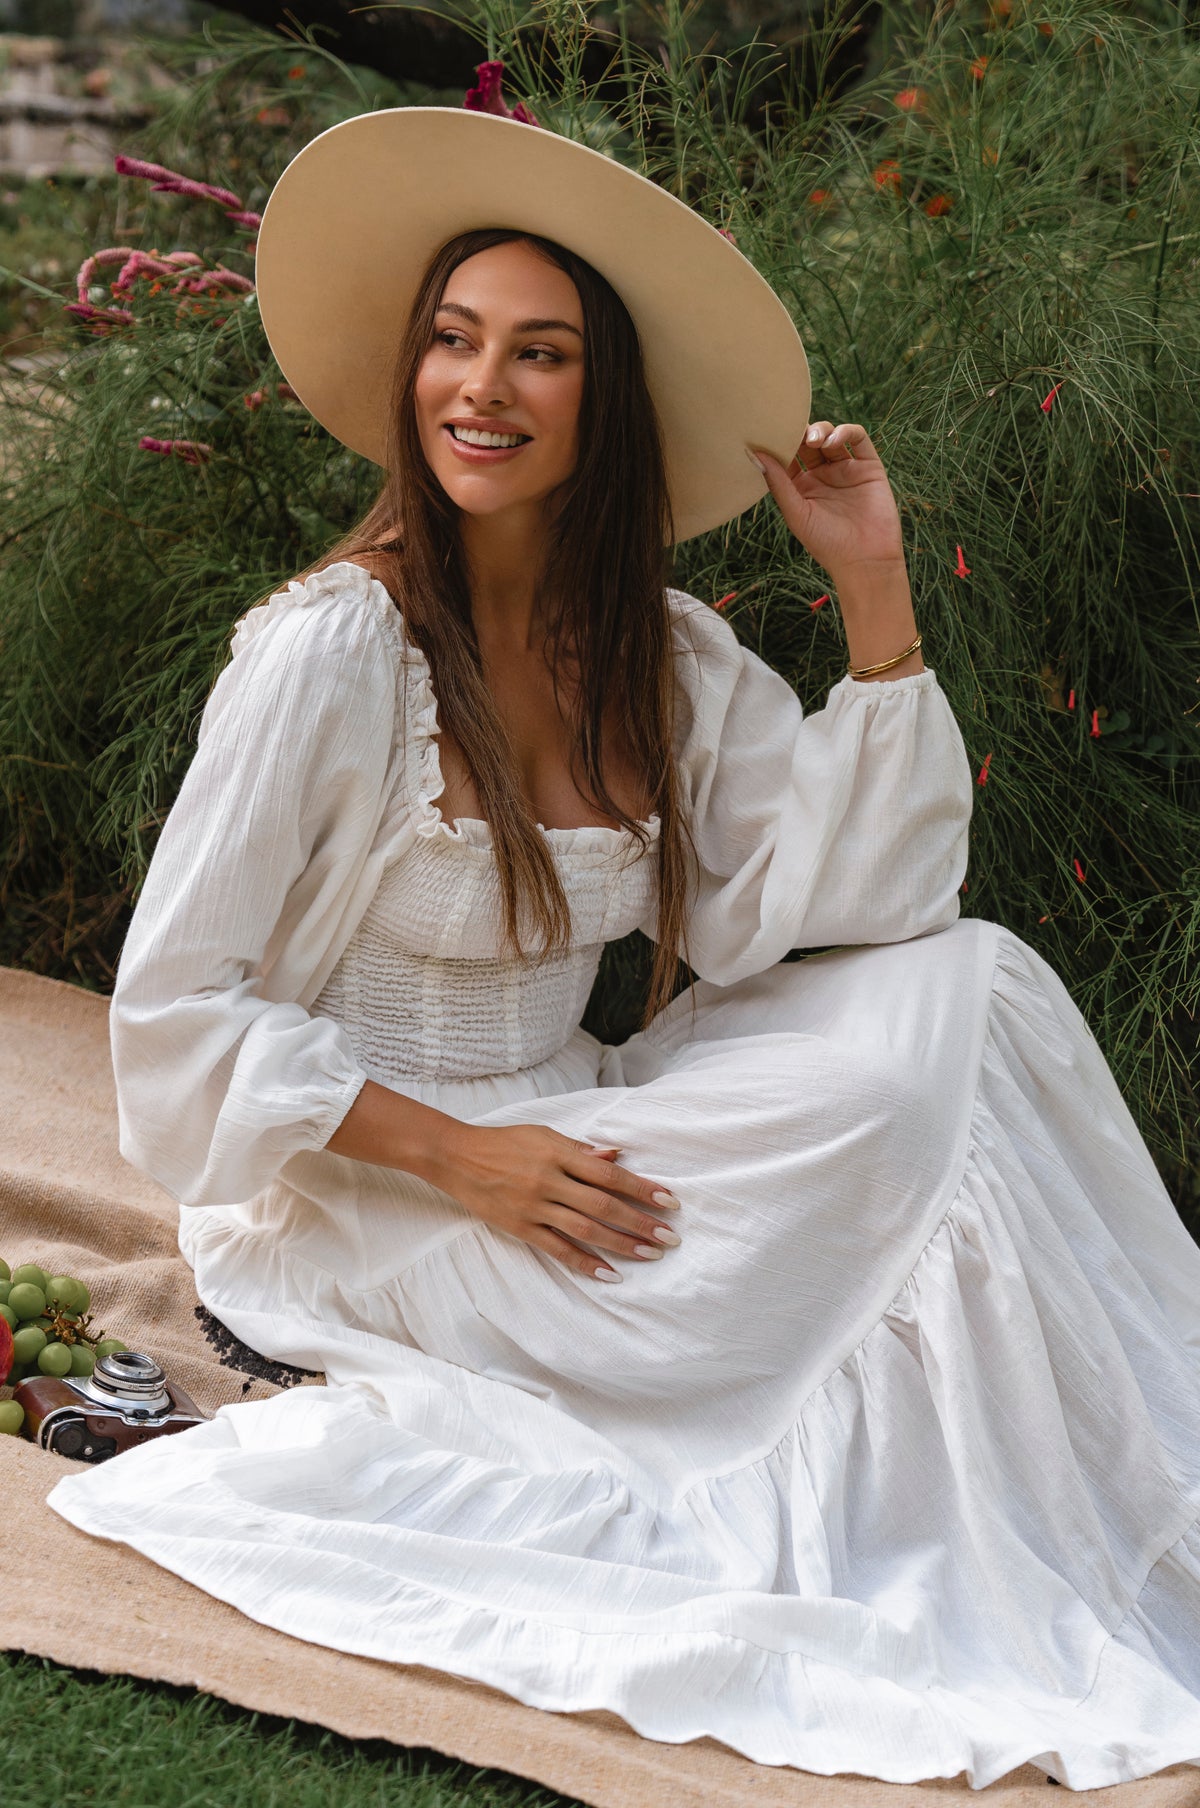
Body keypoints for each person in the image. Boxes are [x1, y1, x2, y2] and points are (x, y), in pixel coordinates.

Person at [49, 104, 1200, 1791]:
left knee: (972, 994)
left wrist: (875, 589)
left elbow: (850, 906)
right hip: (373, 1196)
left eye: (540, 353)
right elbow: (176, 1015)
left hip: (577, 1127)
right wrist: (466, 1162)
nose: (480, 390)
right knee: (831, 1199)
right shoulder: (330, 656)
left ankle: (1109, 1497)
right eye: (451, 342)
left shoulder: (655, 649)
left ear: (608, 398)